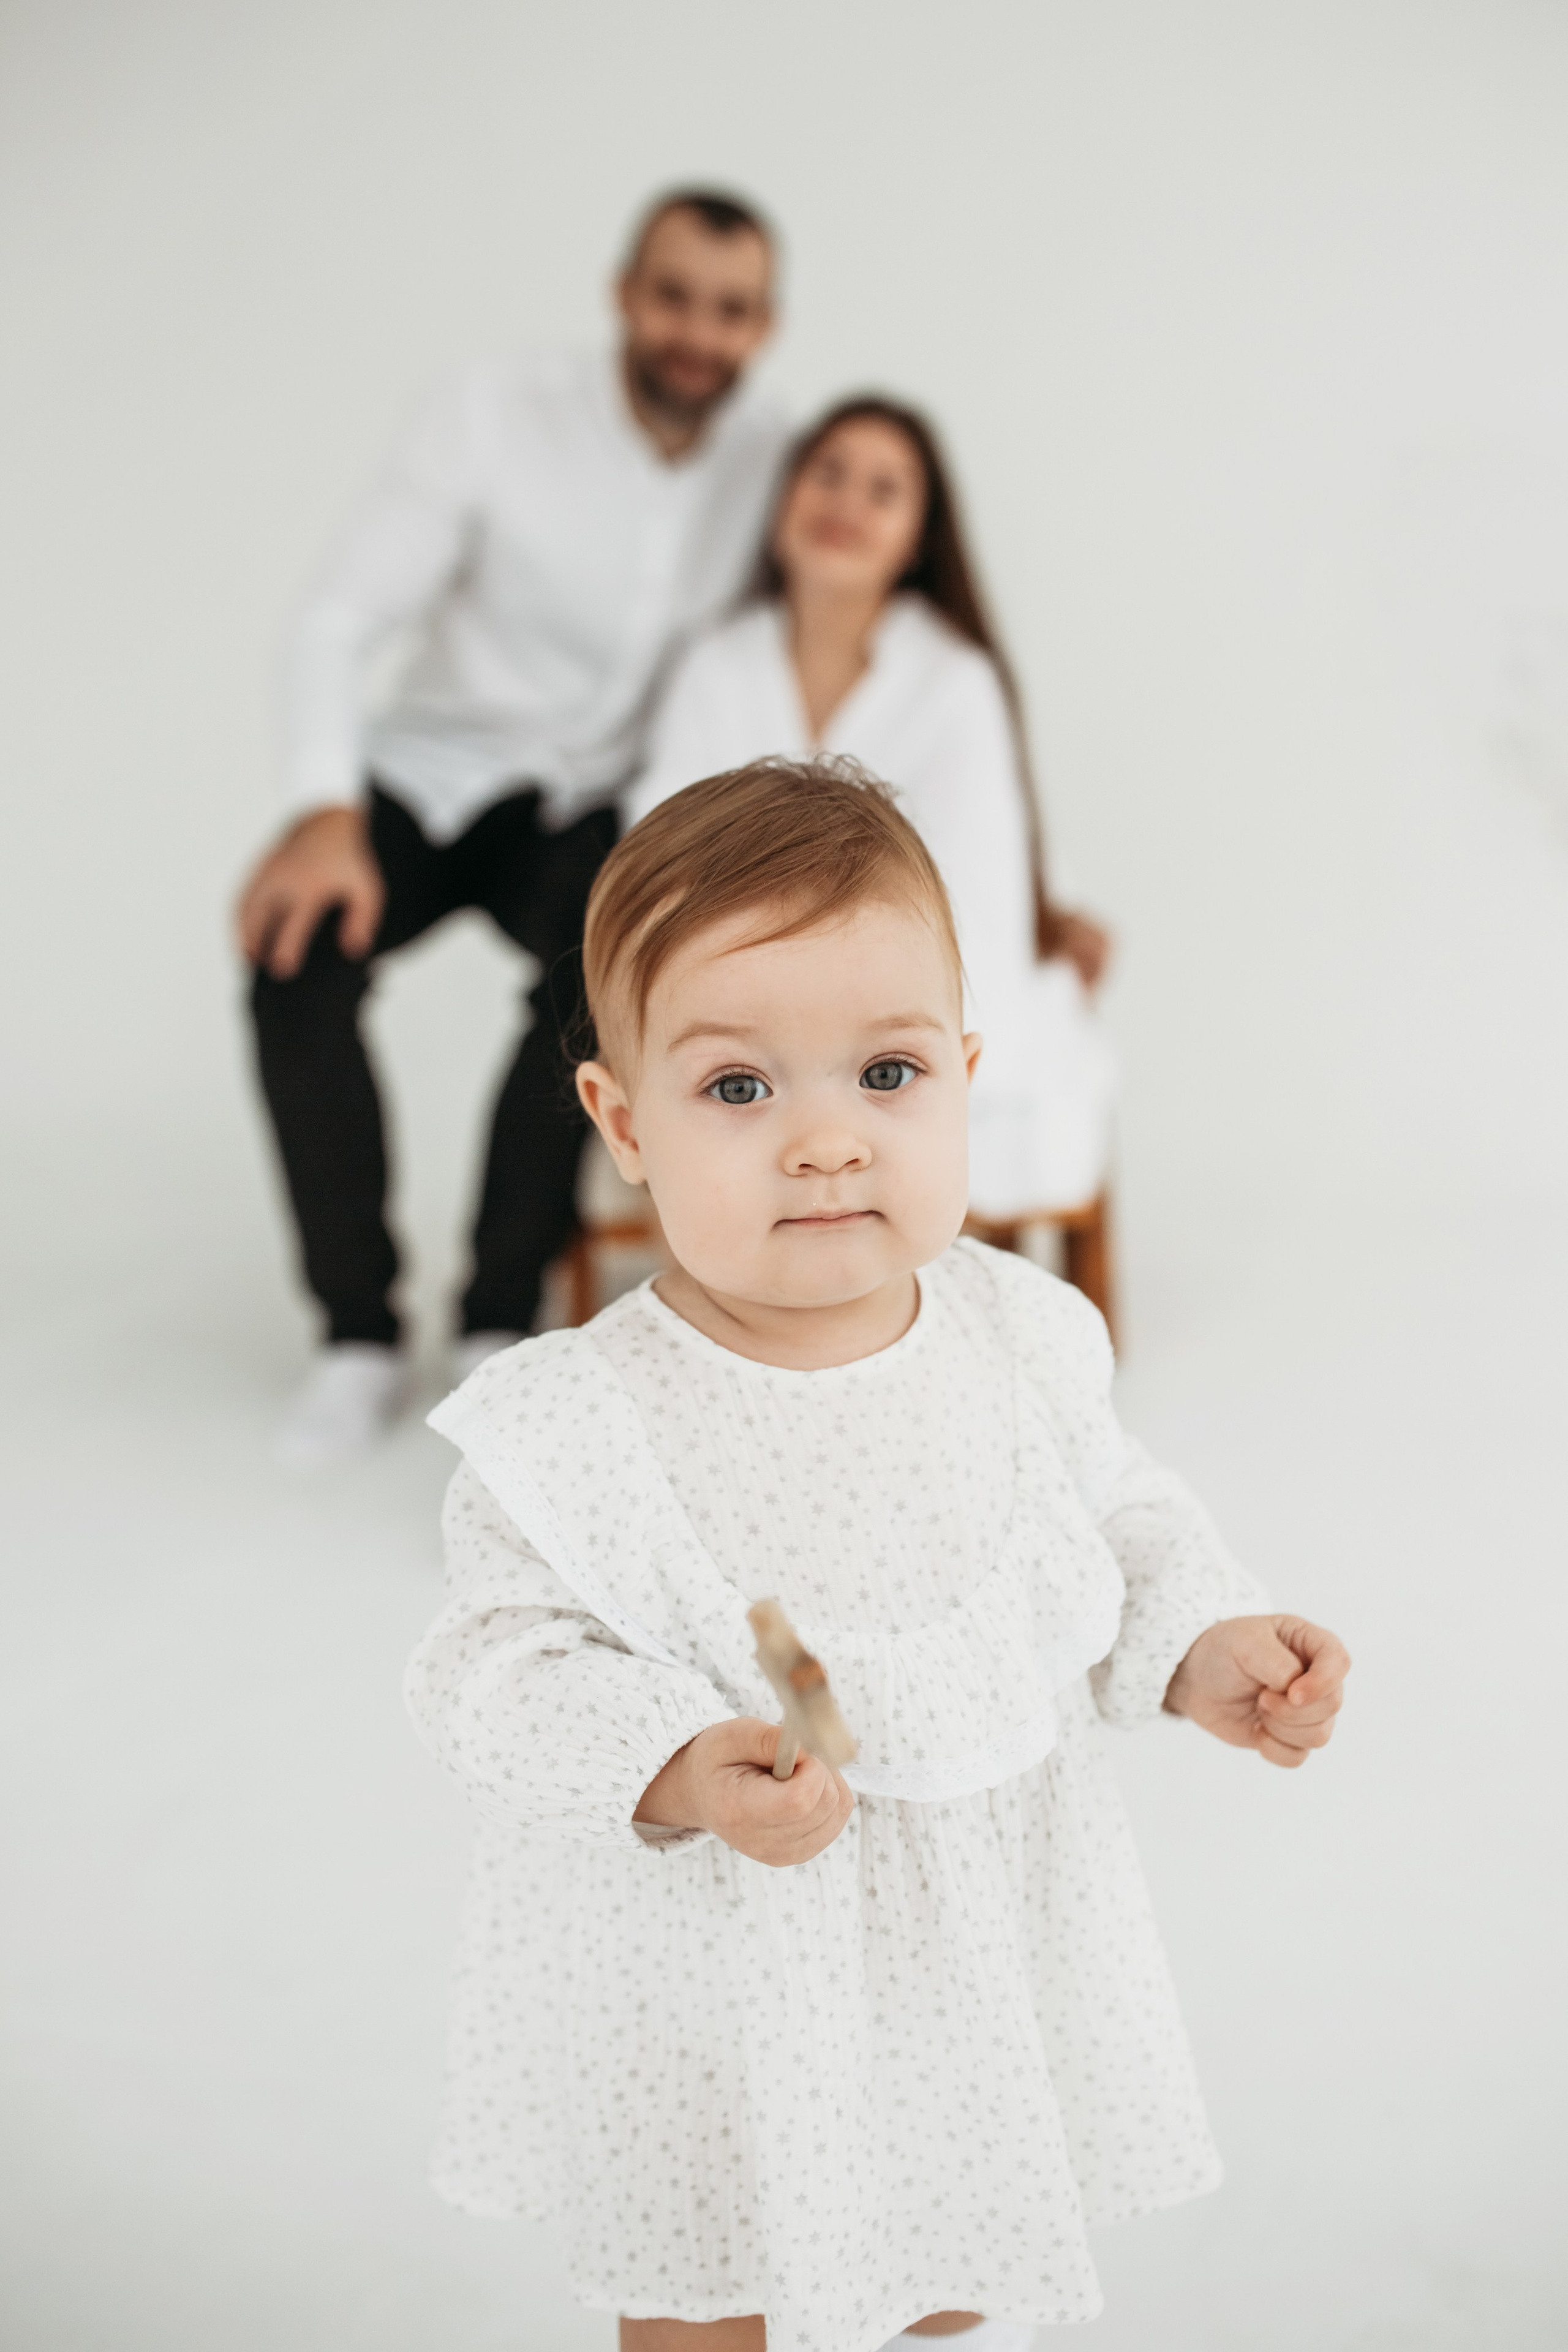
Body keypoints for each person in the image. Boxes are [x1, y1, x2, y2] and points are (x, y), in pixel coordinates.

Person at [407, 760, 1351, 2352]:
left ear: (970, 1074)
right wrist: (679, 1761)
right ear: (622, 1122)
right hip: (704, 1974)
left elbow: (1109, 1525)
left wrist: (1205, 1647)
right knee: (710, 2296)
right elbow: (493, 1668)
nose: (828, 1142)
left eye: (890, 1074)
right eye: (738, 1090)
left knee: (951, 2260)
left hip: (957, 1946)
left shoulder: (1018, 1337)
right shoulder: (578, 1423)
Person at [236, 188, 786, 1463]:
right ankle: (356, 1335)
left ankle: (499, 1316)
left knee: (594, 992)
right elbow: (334, 620)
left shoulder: (771, 461)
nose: (696, 333)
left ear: (763, 324)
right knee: (292, 966)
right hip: (432, 774)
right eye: (674, 297)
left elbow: (881, 636)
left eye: (731, 308)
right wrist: (322, 811)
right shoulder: (488, 413)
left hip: (591, 803)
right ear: (623, 294)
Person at [625, 396, 1115, 1224]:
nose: (846, 504)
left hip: (904, 985)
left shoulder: (955, 681)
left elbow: (976, 889)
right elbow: (659, 855)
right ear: (784, 498)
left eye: (883, 491)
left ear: (919, 537)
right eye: (829, 475)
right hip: (734, 983)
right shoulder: (716, 667)